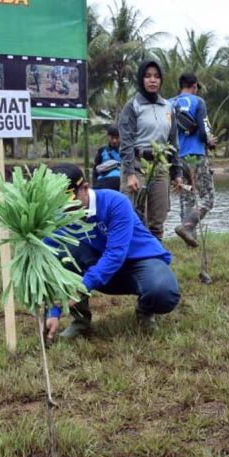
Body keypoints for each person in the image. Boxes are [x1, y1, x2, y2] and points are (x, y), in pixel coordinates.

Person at [43, 164, 181, 342]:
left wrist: (82, 287)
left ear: (85, 187)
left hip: (138, 262)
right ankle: (81, 321)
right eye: (58, 202)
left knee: (163, 292)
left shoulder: (115, 202)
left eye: (69, 198)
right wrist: (53, 311)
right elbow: (53, 263)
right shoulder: (59, 218)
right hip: (101, 272)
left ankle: (145, 308)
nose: (65, 208)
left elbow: (115, 254)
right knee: (65, 251)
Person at [118, 59, 180, 241]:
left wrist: (176, 172)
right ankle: (132, 263)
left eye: (156, 76)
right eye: (147, 76)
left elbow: (173, 142)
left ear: (161, 80)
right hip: (137, 165)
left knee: (157, 221)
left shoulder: (168, 107)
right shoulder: (133, 106)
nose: (152, 80)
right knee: (132, 218)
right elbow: (126, 141)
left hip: (160, 167)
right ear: (141, 79)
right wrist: (129, 173)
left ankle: (157, 262)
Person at [170, 72, 216, 247]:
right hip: (196, 155)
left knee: (186, 198)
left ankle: (190, 242)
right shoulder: (198, 102)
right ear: (195, 86)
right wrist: (210, 142)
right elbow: (204, 132)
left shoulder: (169, 103)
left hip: (176, 158)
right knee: (208, 198)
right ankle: (187, 227)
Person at [92, 126, 122, 191]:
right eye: (112, 138)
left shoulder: (125, 151)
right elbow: (95, 169)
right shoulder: (102, 150)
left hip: (119, 183)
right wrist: (94, 183)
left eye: (117, 138)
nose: (114, 141)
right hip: (103, 182)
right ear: (108, 137)